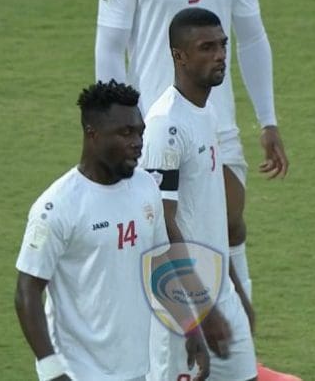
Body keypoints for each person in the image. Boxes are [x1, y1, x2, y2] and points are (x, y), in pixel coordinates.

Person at [95, 0, 290, 324]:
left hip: (217, 123)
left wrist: (267, 119)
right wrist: (121, 128)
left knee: (230, 226)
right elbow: (110, 47)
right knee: (157, 231)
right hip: (154, 127)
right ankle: (167, 332)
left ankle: (237, 332)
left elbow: (252, 37)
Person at [14, 81, 210, 381]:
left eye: (140, 132)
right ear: (92, 134)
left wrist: (191, 328)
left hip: (134, 370)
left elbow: (160, 263)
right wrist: (52, 370)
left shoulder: (146, 188)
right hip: (77, 373)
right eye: (125, 133)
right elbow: (27, 291)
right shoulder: (57, 208)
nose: (138, 142)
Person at [139, 7, 258, 381]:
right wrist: (201, 313)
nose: (220, 55)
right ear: (179, 56)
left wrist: (236, 291)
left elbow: (210, 217)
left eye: (222, 45)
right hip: (181, 305)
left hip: (220, 292)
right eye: (207, 47)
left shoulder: (206, 113)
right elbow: (161, 227)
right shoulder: (166, 126)